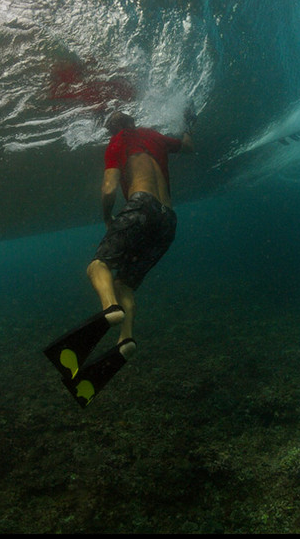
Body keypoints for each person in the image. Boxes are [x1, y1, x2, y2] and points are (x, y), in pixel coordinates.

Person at [44, 108, 196, 406]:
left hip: (141, 206)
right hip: (168, 221)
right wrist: (189, 123)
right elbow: (189, 146)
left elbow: (109, 186)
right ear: (133, 122)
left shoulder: (117, 142)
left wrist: (107, 218)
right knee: (126, 283)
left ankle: (110, 309)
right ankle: (126, 338)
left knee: (97, 266)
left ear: (112, 128)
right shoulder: (154, 136)